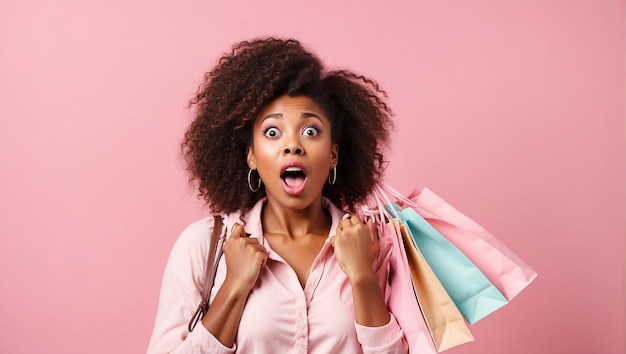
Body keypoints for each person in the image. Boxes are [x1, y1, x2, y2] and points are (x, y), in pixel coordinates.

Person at [147, 37, 409, 354]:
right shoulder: (203, 245)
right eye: (272, 132)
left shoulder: (374, 244)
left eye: (311, 131)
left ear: (334, 155)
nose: (292, 145)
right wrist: (233, 287)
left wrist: (363, 277)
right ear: (251, 157)